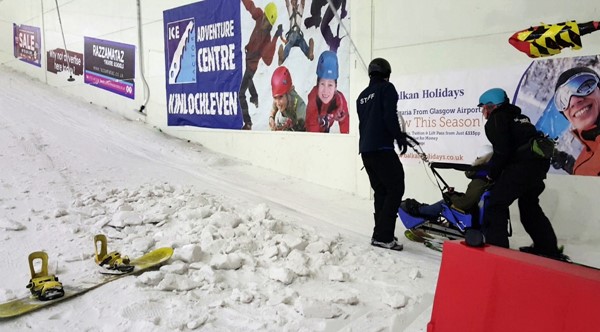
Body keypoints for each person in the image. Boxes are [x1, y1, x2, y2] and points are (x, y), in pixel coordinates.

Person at [477, 88, 564, 259]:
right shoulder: (520, 117)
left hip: (522, 168)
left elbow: (502, 152)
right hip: (538, 168)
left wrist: (492, 175)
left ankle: (497, 253)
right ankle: (547, 248)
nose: (482, 112)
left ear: (491, 106)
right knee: (529, 206)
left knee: (496, 205)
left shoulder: (497, 119)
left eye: (483, 107)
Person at [357, 58, 408, 251]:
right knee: (395, 188)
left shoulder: (361, 96)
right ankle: (384, 236)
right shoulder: (387, 88)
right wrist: (399, 137)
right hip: (382, 149)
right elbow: (389, 115)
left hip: (366, 151)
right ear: (387, 73)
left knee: (382, 191)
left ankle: (380, 234)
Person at [403, 145, 494, 219]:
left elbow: (465, 204)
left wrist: (451, 196)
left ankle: (420, 210)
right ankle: (427, 210)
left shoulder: (479, 181)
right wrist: (455, 194)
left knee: (445, 202)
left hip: (470, 210)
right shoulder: (489, 176)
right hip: (475, 207)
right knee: (449, 197)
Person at [240, 0, 283, 130]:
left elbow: (268, 60)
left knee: (241, 94)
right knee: (248, 80)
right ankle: (255, 97)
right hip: (246, 58)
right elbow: (250, 7)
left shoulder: (267, 38)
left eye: (268, 23)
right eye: (264, 19)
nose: (264, 23)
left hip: (252, 65)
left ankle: (248, 123)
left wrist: (275, 37)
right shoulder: (259, 16)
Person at [553, 66, 600, 176]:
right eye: (563, 99)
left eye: (585, 86)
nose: (574, 101)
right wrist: (567, 163)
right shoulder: (587, 152)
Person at [305, 51, 349, 133]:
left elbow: (346, 127)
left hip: (325, 131)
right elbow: (312, 135)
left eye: (330, 85)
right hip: (310, 134)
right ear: (317, 85)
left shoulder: (340, 100)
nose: (325, 91)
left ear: (336, 87)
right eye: (322, 84)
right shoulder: (313, 100)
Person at [268, 66, 306, 131]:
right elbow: (273, 109)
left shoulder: (300, 106)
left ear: (288, 93)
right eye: (275, 98)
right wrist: (271, 118)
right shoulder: (279, 97)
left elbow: (302, 135)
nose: (278, 103)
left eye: (280, 97)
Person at [277, 0, 314, 65]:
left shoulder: (300, 9)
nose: (293, 2)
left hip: (298, 35)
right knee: (290, 42)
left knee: (302, 43)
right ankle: (282, 57)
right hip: (292, 34)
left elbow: (303, 3)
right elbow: (287, 3)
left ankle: (309, 53)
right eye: (292, 1)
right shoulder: (290, 10)